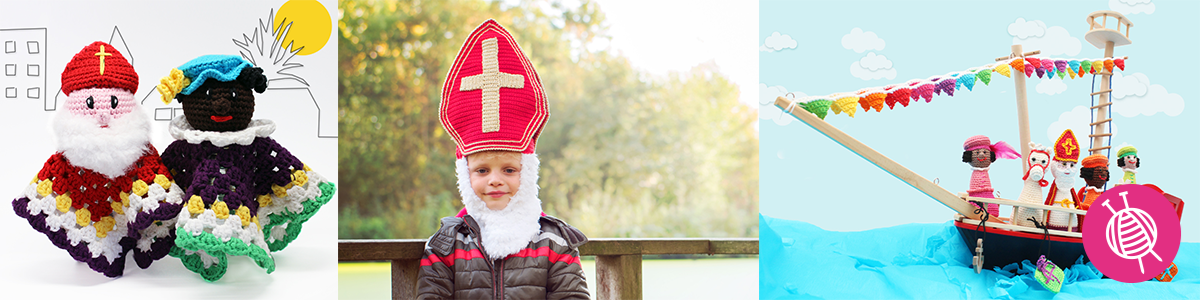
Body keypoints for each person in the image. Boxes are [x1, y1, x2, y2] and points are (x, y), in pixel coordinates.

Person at [417, 19, 589, 300]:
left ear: (528, 172)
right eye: (482, 170)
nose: (495, 179)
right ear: (465, 175)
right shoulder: (445, 246)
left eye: (509, 169)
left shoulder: (555, 242)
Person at [156, 55, 335, 281]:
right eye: (210, 95)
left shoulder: (254, 145)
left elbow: (276, 168)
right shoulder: (186, 149)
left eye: (232, 95)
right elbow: (167, 177)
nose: (221, 105)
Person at [12, 41, 183, 277]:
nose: (103, 113)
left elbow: (155, 187)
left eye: (114, 104)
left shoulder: (140, 153)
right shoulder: (68, 158)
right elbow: (48, 187)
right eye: (91, 104)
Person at [961, 135, 1020, 217]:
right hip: (975, 196)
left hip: (988, 195)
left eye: (985, 152)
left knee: (993, 208)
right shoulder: (975, 174)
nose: (982, 155)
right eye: (977, 152)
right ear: (969, 156)